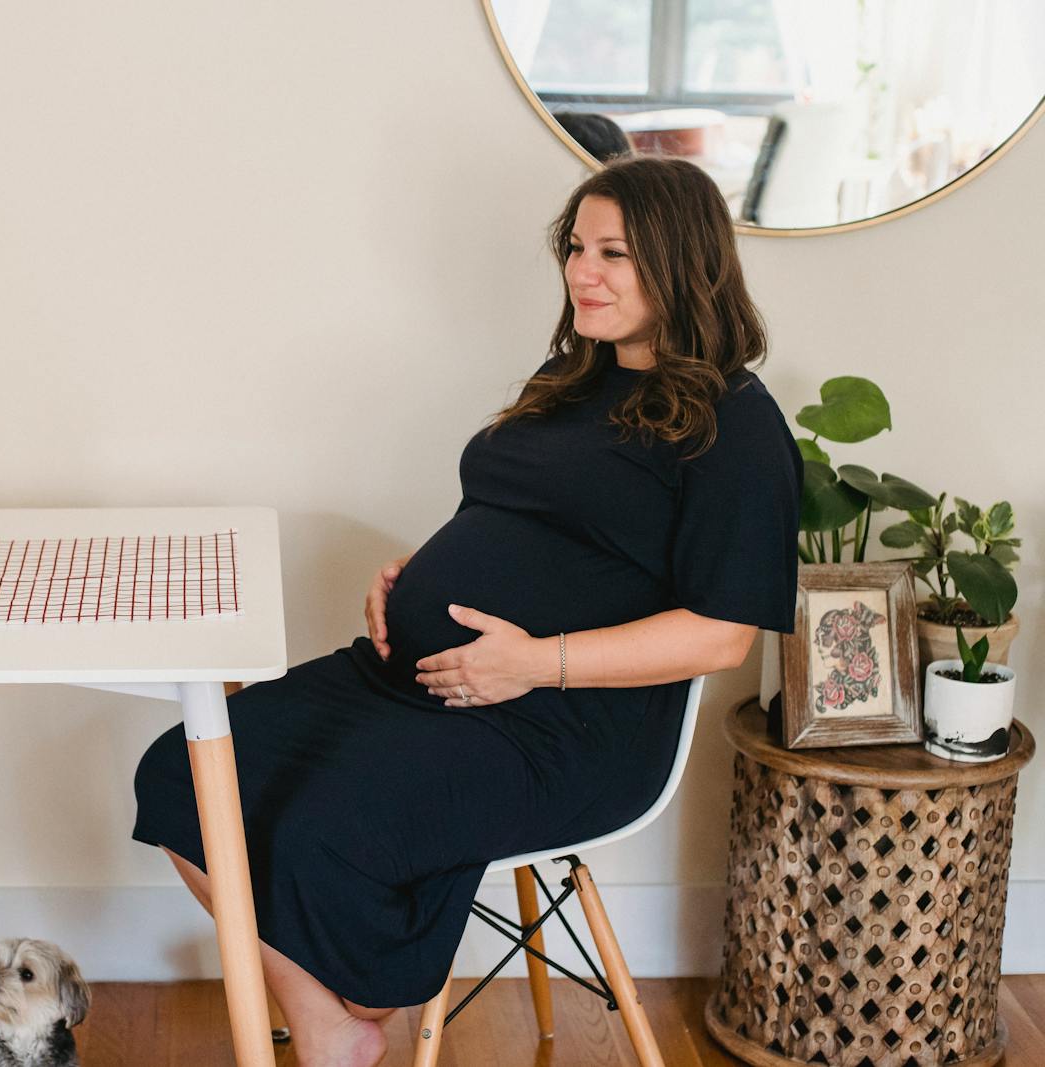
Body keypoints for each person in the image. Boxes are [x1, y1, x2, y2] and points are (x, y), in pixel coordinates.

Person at [131, 156, 802, 1067]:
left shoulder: (735, 425)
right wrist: (416, 574)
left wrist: (533, 661)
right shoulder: (572, 376)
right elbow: (518, 516)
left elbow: (723, 634)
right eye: (575, 248)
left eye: (614, 253)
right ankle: (329, 1020)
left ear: (684, 261)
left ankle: (363, 1000)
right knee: (183, 770)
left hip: (558, 724)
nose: (583, 272)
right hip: (408, 678)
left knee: (322, 824)